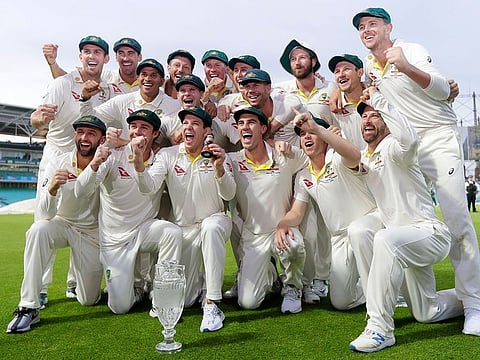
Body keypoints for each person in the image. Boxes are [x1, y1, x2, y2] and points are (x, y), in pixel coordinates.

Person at [352, 7, 480, 336]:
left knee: (456, 220)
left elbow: (440, 89)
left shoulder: (409, 50)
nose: (366, 29)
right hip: (407, 144)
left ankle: (473, 305)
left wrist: (405, 66)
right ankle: (423, 301)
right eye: (362, 26)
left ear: (388, 27)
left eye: (373, 24)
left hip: (436, 138)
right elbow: (371, 91)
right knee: (406, 217)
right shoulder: (369, 65)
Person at [349, 87, 464, 352]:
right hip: (403, 241)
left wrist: (381, 98)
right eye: (364, 116)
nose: (367, 120)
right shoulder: (365, 155)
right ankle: (471, 297)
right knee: (427, 311)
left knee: (385, 240)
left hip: (429, 234)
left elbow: (410, 141)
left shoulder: (395, 148)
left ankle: (380, 329)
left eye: (375, 115)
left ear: (388, 122)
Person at [133, 106, 236, 332]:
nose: (188, 127)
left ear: (206, 130)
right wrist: (139, 163)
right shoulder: (168, 156)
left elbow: (229, 194)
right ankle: (200, 289)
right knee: (187, 300)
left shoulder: (217, 154)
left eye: (195, 124)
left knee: (210, 227)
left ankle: (212, 303)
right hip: (186, 229)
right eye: (186, 123)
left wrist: (219, 169)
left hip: (216, 221)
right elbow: (148, 187)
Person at [74, 109, 182, 314]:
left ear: (155, 134)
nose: (136, 132)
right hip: (114, 239)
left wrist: (139, 161)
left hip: (143, 230)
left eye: (144, 127)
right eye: (133, 127)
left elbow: (147, 187)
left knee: (171, 233)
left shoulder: (160, 160)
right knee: (119, 307)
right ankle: (136, 288)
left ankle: (162, 299)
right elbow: (81, 191)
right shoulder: (112, 156)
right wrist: (95, 163)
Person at [31, 35, 113, 304]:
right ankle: (40, 288)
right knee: (46, 219)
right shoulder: (61, 84)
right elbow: (36, 118)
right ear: (80, 56)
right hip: (57, 158)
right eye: (86, 51)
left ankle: (74, 281)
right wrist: (38, 119)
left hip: (90, 159)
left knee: (85, 215)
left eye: (97, 52)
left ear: (105, 58)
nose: (92, 56)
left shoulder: (107, 87)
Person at [6, 115, 107, 333]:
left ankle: (77, 282)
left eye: (91, 133)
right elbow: (44, 213)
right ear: (75, 135)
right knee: (38, 229)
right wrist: (51, 189)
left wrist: (96, 164)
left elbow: (83, 190)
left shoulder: (106, 163)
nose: (84, 138)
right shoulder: (58, 162)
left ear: (102, 139)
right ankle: (28, 306)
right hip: (62, 224)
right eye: (80, 132)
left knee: (89, 300)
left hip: (90, 232)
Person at [278, 111, 381, 310]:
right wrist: (282, 224)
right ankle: (373, 289)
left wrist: (320, 130)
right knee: (341, 302)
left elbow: (355, 155)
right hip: (340, 238)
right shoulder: (303, 176)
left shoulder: (337, 158)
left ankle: (381, 300)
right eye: (302, 134)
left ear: (324, 137)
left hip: (370, 225)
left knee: (357, 231)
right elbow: (297, 213)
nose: (306, 136)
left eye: (311, 132)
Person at [229, 106, 309, 313]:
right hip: (253, 236)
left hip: (283, 228)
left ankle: (292, 286)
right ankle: (271, 273)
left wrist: (297, 196)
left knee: (292, 245)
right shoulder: (233, 160)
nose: (245, 127)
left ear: (263, 128)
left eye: (251, 122)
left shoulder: (284, 154)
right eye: (241, 123)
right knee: (248, 303)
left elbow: (311, 160)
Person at [79, 58, 181, 147]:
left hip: (157, 161)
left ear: (162, 81)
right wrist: (85, 98)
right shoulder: (122, 101)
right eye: (143, 74)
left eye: (153, 75)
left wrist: (122, 142)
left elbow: (178, 142)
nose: (147, 79)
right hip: (126, 162)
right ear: (137, 78)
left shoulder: (175, 106)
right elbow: (90, 117)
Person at [43, 37, 143, 94]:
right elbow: (66, 79)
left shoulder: (148, 82)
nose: (125, 58)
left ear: (140, 57)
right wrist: (52, 63)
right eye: (121, 53)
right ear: (115, 58)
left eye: (130, 53)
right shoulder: (106, 77)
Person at [200, 50, 236, 118]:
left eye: (217, 65)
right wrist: (208, 93)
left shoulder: (235, 84)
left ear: (226, 69)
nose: (213, 70)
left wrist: (216, 106)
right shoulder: (200, 87)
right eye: (208, 65)